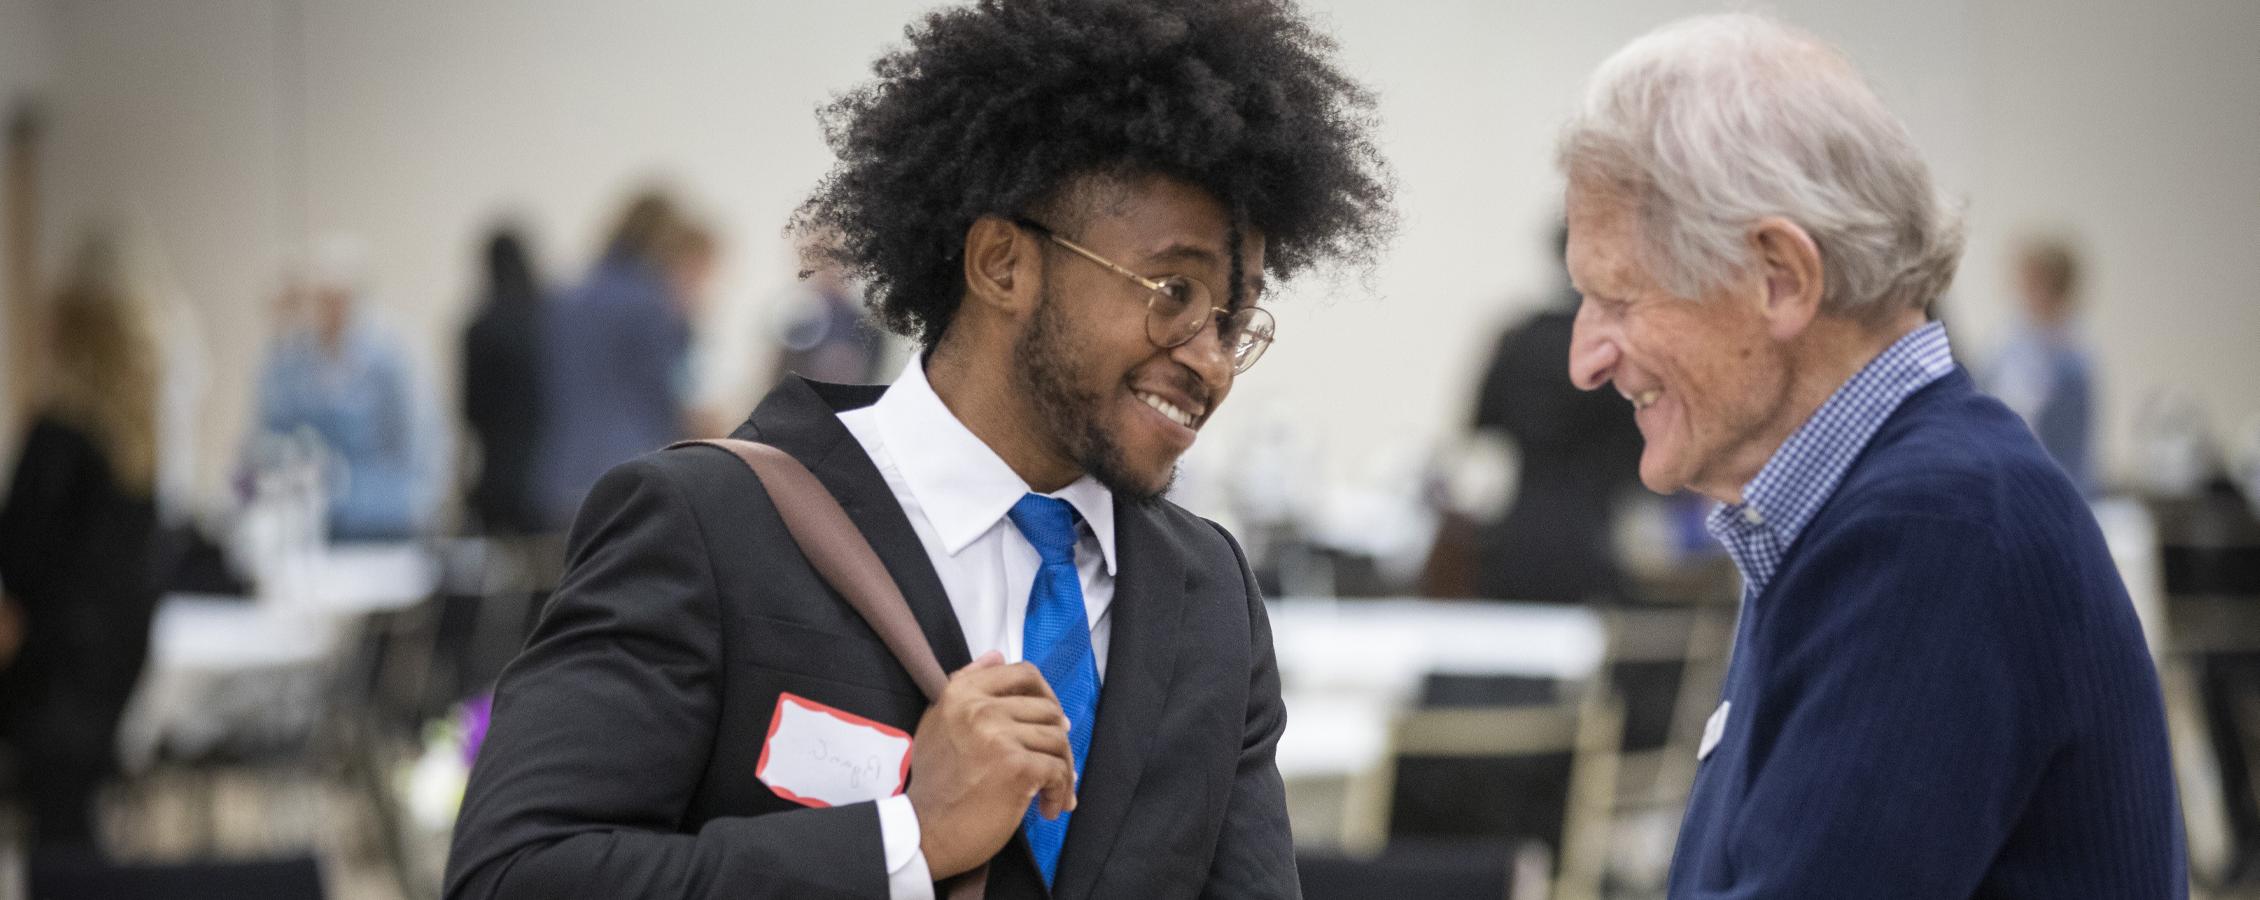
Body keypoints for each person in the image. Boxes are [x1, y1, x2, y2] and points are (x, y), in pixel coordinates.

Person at [443, 0, 1391, 897]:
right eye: (1172, 292)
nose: (1212, 363)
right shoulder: (712, 528)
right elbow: (515, 876)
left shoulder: (1207, 595)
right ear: (1002, 263)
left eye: (1235, 317)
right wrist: (904, 841)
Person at [1557, 14, 2181, 898]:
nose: (1586, 360)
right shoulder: (1870, 511)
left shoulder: (1935, 533)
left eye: (1618, 297)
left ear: (1780, 277)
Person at [0, 234, 169, 847]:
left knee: (58, 834)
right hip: (110, 672)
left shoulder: (57, 438)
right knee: (78, 829)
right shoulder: (133, 448)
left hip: (55, 679)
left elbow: (17, 561)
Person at [1467, 222, 1644, 603]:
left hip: (1519, 531)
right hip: (1590, 533)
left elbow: (1481, 425)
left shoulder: (1518, 338)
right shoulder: (1615, 346)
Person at [528, 191, 715, 529]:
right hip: (633, 476)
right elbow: (670, 396)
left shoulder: (562, 299)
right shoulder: (651, 305)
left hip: (562, 476)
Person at [248, 236, 444, 541]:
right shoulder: (296, 358)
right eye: (321, 298)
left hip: (387, 519)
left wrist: (413, 504)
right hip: (319, 522)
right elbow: (274, 435)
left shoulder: (391, 358)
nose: (328, 308)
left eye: (336, 297)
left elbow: (417, 447)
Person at [1983, 235, 2096, 493]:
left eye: (2034, 282)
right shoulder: (2004, 347)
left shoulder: (2074, 361)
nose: (2024, 292)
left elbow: (2075, 455)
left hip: (2052, 489)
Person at [460, 226, 548, 535]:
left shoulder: (480, 327)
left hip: (498, 470)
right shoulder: (547, 320)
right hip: (545, 470)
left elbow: (471, 410)